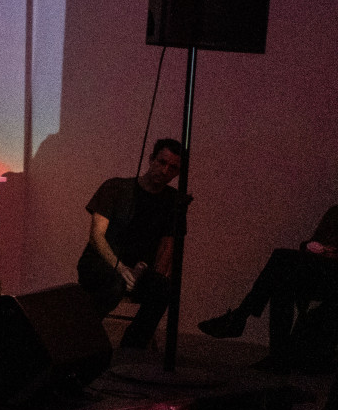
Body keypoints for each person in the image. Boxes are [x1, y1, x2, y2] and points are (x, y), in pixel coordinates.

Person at [197, 204, 338, 371]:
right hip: (321, 271)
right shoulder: (335, 212)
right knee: (281, 282)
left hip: (332, 277)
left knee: (281, 260)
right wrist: (314, 248)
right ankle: (275, 355)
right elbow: (312, 243)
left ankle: (240, 317)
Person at [76, 138, 186, 349]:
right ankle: (83, 338)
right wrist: (120, 268)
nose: (165, 171)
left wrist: (154, 276)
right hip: (101, 264)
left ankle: (132, 347)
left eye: (172, 168)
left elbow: (168, 246)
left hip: (138, 271)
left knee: (163, 288)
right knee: (115, 284)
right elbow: (96, 236)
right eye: (162, 162)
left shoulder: (173, 201)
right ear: (151, 159)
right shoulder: (116, 187)